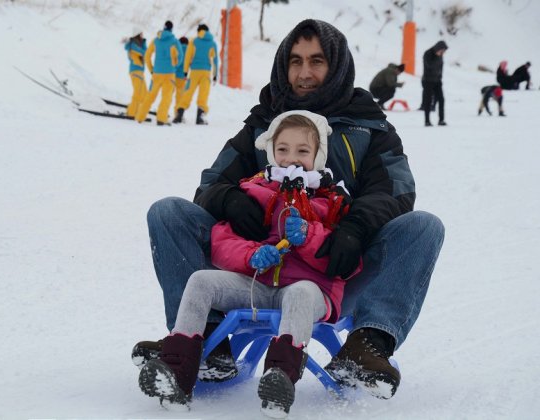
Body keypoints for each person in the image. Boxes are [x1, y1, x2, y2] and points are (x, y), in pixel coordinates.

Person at [132, 19, 444, 403]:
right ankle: (207, 345)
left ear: (337, 66)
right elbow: (211, 183)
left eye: (316, 61)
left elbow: (396, 191)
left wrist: (355, 228)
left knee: (423, 227)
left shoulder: (368, 126)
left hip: (335, 269)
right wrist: (229, 198)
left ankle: (367, 344)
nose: (305, 73)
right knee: (168, 213)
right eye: (295, 62)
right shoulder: (264, 122)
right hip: (257, 269)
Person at [139, 111, 357, 415]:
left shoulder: (332, 202)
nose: (290, 158)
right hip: (256, 284)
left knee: (299, 294)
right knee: (201, 281)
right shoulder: (254, 191)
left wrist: (309, 237)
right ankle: (177, 372)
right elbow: (222, 240)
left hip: (311, 291)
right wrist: (250, 255)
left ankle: (280, 379)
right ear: (270, 151)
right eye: (282, 149)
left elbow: (348, 260)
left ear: (318, 156)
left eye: (302, 151)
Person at [135, 21, 182, 126]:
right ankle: (161, 119)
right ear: (171, 29)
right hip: (169, 74)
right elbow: (180, 57)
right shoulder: (174, 41)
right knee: (166, 97)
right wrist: (175, 66)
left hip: (156, 73)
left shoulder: (156, 40)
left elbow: (147, 56)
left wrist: (151, 69)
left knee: (150, 95)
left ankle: (140, 117)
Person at [172, 24, 219, 125]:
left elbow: (188, 57)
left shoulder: (194, 41)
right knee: (203, 94)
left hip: (194, 72)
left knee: (188, 92)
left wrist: (185, 71)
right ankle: (199, 118)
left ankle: (179, 115)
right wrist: (215, 75)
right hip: (206, 72)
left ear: (199, 31)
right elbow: (215, 60)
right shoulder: (212, 43)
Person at [422, 41, 448, 127]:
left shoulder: (440, 56)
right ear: (438, 48)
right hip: (428, 81)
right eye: (442, 51)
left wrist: (440, 77)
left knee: (441, 100)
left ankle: (441, 120)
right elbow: (429, 66)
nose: (442, 53)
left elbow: (440, 67)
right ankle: (427, 121)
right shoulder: (428, 53)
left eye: (444, 51)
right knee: (428, 101)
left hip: (437, 81)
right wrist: (437, 56)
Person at [124, 32, 148, 121]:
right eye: (141, 34)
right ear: (137, 35)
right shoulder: (133, 45)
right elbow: (144, 53)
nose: (143, 36)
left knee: (144, 93)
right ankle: (131, 112)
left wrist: (144, 42)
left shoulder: (139, 45)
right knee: (138, 92)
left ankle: (138, 111)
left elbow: (146, 52)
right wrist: (144, 43)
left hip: (140, 72)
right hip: (135, 70)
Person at [174, 36, 189, 113]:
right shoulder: (188, 49)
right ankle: (177, 113)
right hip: (182, 76)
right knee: (179, 95)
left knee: (168, 95)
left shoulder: (176, 48)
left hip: (173, 74)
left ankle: (164, 112)